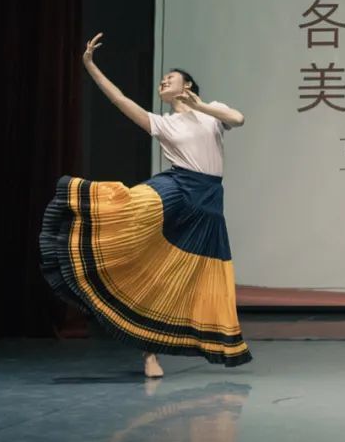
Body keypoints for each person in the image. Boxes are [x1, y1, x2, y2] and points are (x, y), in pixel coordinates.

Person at [40, 33, 252, 377]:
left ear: (187, 85)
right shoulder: (162, 123)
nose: (163, 81)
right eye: (161, 80)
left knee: (178, 276)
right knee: (133, 206)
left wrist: (199, 106)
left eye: (170, 78)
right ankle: (84, 216)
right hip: (177, 188)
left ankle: (152, 348)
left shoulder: (211, 113)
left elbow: (238, 119)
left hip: (208, 203)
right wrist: (91, 66)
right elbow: (119, 99)